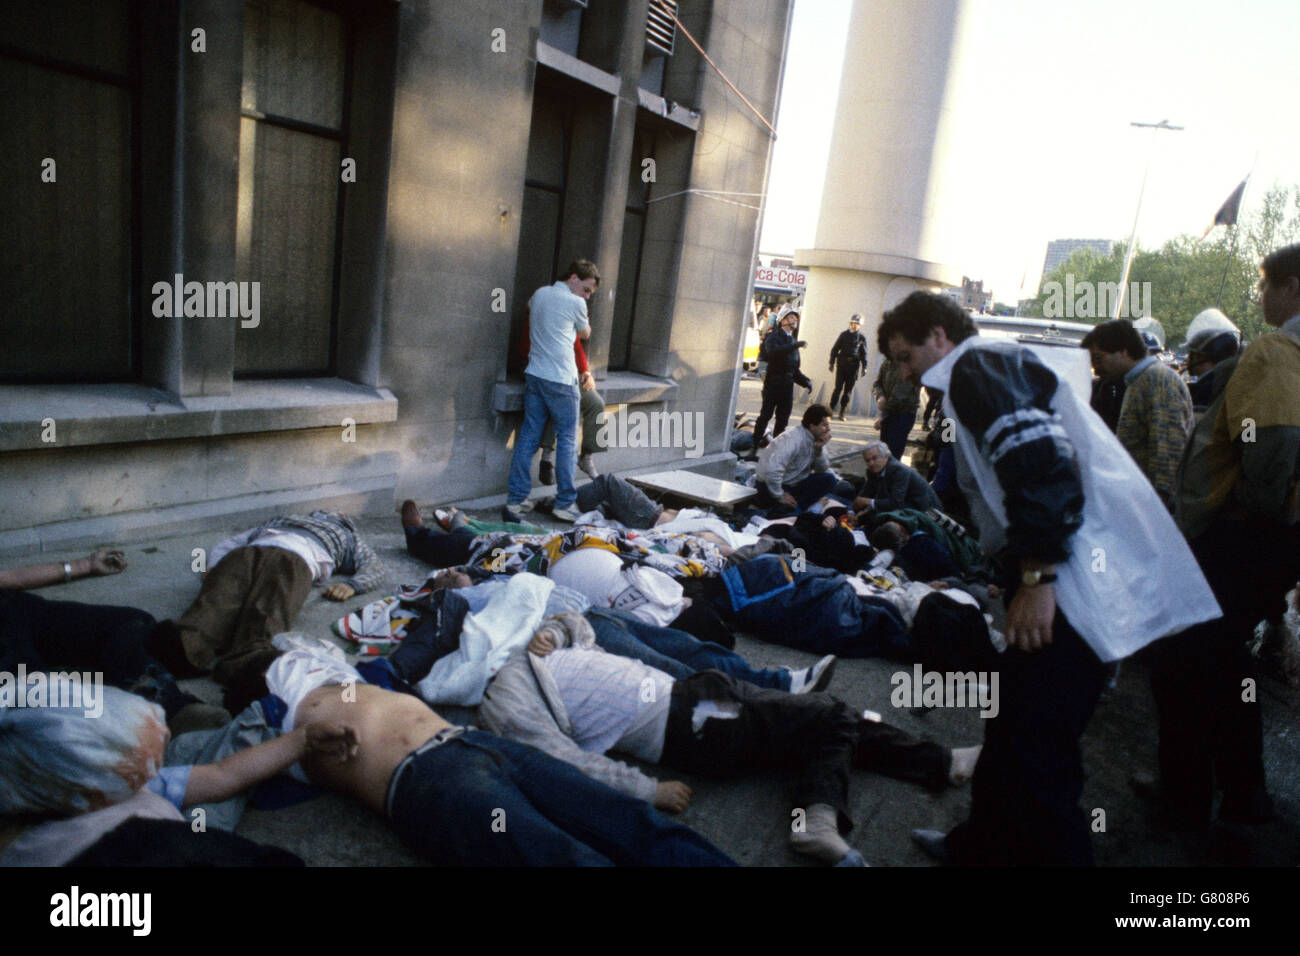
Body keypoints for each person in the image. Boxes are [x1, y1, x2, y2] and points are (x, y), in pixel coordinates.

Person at [877, 290, 1219, 866]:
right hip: (1057, 573)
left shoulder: (975, 368)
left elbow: (1042, 467)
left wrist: (1038, 579)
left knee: (1040, 750)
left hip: (1065, 585)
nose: (908, 374)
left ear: (937, 335)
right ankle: (981, 846)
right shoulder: (993, 364)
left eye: (906, 357)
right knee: (1011, 728)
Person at [479, 611, 980, 867]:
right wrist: (646, 790)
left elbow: (581, 629)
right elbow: (562, 761)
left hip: (693, 697)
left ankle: (939, 763)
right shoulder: (505, 698)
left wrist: (555, 630)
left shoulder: (531, 653)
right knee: (829, 715)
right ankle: (816, 817)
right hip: (690, 726)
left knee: (824, 724)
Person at [269, 644, 736, 865]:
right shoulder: (266, 715)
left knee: (627, 818)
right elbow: (219, 776)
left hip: (476, 741)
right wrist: (299, 742)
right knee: (559, 856)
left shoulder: (355, 670)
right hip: (423, 777)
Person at [1147, 243, 1300, 831]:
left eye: (1266, 283)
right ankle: (1244, 794)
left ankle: (1184, 802)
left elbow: (1273, 443)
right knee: (1228, 668)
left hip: (1236, 541)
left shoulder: (1276, 352)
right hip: (1273, 548)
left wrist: (1257, 510)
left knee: (1179, 667)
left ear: (1292, 288)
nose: (1260, 295)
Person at [146, 511, 388, 714]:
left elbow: (374, 568)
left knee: (243, 610)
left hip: (274, 558)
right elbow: (229, 544)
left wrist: (352, 585)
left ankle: (218, 658)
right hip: (271, 557)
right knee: (241, 609)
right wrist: (211, 566)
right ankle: (201, 655)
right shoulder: (291, 522)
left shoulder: (339, 534)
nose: (326, 514)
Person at [0, 550, 225, 733]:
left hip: (15, 609)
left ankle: (166, 697)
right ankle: (167, 708)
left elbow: (5, 578)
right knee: (33, 687)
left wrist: (84, 565)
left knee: (131, 622)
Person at [505, 259, 600, 524]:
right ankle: (565, 503)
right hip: (561, 379)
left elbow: (531, 311)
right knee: (568, 440)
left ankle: (516, 500)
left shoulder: (539, 294)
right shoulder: (576, 303)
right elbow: (585, 333)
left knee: (529, 436)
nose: (588, 296)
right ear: (573, 279)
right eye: (587, 289)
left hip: (534, 375)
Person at [1081, 320, 1193, 507]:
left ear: (1123, 351)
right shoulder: (1138, 380)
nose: (1095, 367)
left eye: (1098, 358)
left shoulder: (1158, 380)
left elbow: (1167, 447)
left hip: (1151, 502)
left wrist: (1159, 502)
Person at [754, 404, 847, 510]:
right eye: (824, 425)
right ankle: (793, 510)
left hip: (794, 483)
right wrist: (779, 495)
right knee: (787, 509)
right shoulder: (792, 439)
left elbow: (822, 469)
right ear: (812, 426)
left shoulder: (816, 439)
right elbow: (773, 470)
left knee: (829, 479)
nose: (828, 429)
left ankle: (798, 508)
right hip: (771, 485)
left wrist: (819, 450)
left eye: (828, 425)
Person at [750, 309, 811, 448]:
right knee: (765, 415)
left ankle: (775, 447)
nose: (793, 320)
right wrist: (794, 345)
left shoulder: (792, 340)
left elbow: (794, 369)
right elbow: (773, 352)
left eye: (795, 318)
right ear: (782, 321)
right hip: (773, 383)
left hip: (787, 385)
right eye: (790, 318)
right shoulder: (774, 337)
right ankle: (754, 444)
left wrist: (805, 382)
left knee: (783, 419)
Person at [852, 440, 941, 516]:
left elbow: (895, 503)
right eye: (867, 460)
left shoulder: (899, 470)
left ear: (886, 456)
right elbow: (866, 493)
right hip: (906, 505)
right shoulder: (873, 471)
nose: (871, 463)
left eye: (875, 458)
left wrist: (867, 502)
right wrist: (853, 511)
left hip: (926, 510)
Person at [872, 356, 920, 459]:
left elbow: (900, 394)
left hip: (903, 414)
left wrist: (883, 415)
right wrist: (880, 396)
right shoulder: (888, 361)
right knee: (883, 455)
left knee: (892, 455)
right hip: (888, 413)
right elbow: (877, 384)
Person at [828, 314, 869, 420]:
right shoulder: (844, 335)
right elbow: (835, 349)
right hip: (842, 365)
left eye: (857, 324)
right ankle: (830, 411)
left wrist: (865, 366)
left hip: (853, 367)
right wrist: (832, 363)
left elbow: (864, 354)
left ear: (860, 325)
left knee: (848, 391)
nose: (854, 326)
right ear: (850, 324)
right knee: (837, 388)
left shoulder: (861, 338)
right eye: (853, 323)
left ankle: (842, 412)